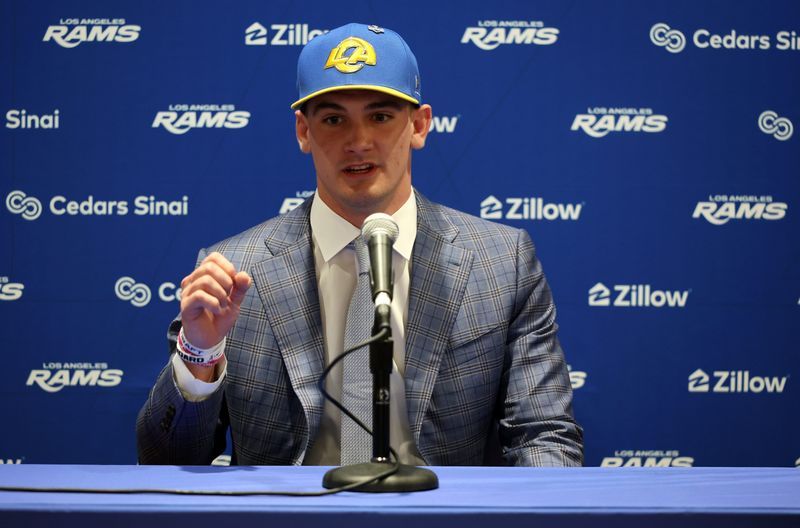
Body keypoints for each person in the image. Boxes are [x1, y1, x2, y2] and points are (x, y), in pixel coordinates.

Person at [136, 22, 583, 467]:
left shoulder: (503, 263)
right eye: (334, 120)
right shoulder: (235, 271)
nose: (358, 141)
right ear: (303, 131)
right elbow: (163, 460)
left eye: (380, 117)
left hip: (439, 506)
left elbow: (544, 436)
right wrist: (201, 354)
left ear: (419, 126)